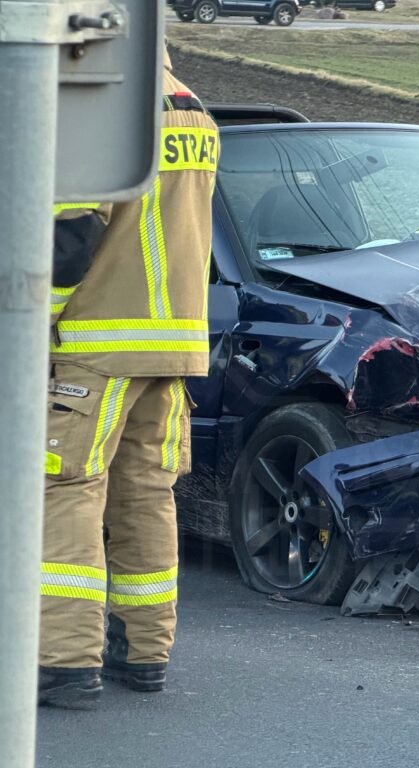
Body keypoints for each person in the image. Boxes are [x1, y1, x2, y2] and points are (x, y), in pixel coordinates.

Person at [37, 48, 218, 709]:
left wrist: (32, 330)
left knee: (64, 489)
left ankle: (62, 660)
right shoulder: (192, 109)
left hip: (98, 340)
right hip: (172, 346)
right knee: (147, 494)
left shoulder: (102, 111)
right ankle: (143, 650)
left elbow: (70, 241)